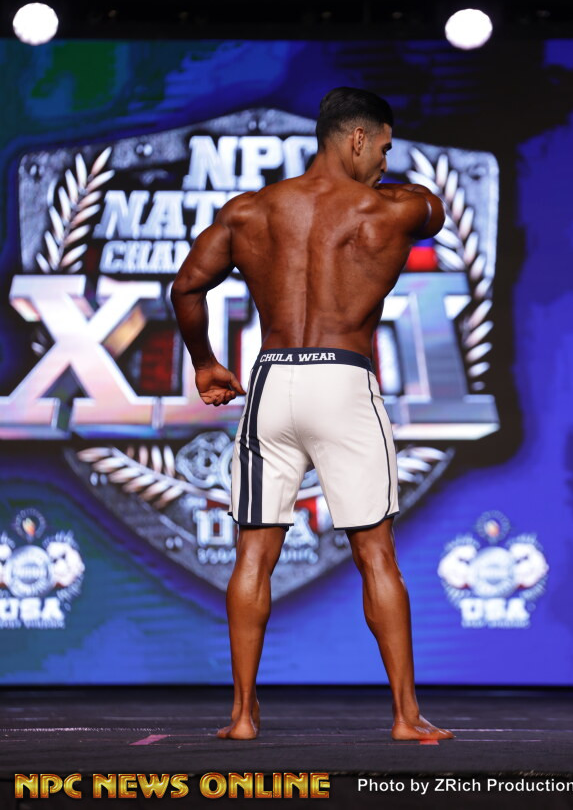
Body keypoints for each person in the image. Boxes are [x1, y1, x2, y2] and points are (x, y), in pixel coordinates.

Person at [171, 86, 454, 742]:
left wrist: (207, 364)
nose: (385, 161)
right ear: (358, 138)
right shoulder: (389, 209)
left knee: (253, 553)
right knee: (376, 553)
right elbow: (434, 212)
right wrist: (389, 188)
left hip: (272, 384)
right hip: (343, 381)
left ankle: (243, 716)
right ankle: (405, 717)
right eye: (384, 147)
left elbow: (186, 287)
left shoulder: (249, 211)